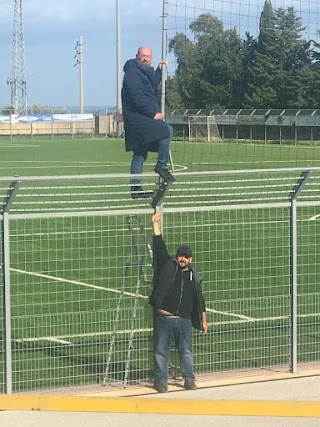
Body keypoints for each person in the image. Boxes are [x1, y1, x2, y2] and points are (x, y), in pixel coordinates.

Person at [149, 210, 208, 393]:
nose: (182, 258)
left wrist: (204, 320)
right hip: (164, 319)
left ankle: (189, 380)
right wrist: (155, 225)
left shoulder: (193, 276)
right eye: (180, 255)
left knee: (186, 352)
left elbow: (200, 300)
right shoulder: (168, 265)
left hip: (184, 321)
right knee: (161, 352)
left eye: (185, 256)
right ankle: (161, 382)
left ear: (190, 259)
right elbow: (159, 246)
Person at [121, 46, 175, 200]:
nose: (145, 58)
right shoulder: (132, 74)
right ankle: (161, 166)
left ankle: (136, 188)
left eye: (148, 56)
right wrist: (153, 114)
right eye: (143, 55)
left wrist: (158, 70)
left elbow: (152, 85)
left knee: (139, 153)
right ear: (137, 56)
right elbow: (137, 99)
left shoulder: (144, 72)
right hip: (137, 119)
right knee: (166, 130)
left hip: (142, 118)